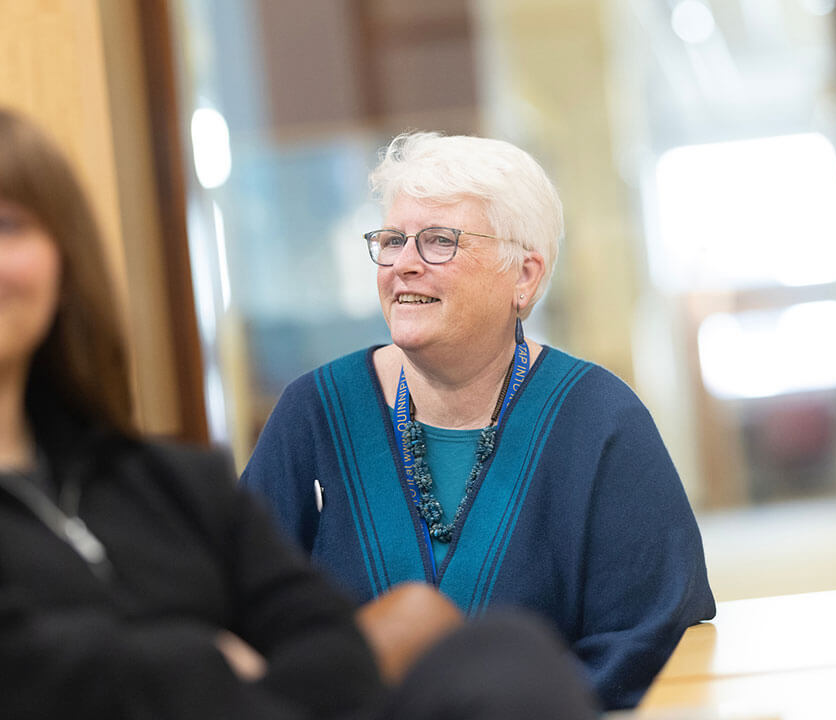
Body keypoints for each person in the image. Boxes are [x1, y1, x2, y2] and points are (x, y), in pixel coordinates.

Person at [0, 105, 598, 720]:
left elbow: (327, 642)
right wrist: (205, 662)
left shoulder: (168, 482)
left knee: (502, 658)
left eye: (1, 226)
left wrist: (224, 678)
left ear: (64, 264)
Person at [240, 131, 717, 709]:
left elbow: (648, 646)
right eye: (392, 241)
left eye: (440, 241)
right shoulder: (313, 414)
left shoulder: (601, 422)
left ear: (524, 276)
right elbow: (242, 622)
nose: (405, 265)